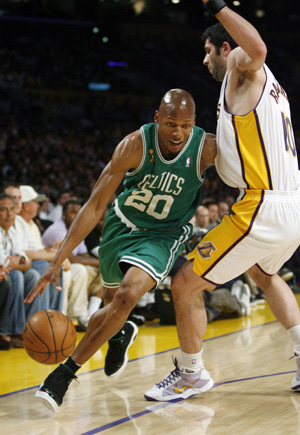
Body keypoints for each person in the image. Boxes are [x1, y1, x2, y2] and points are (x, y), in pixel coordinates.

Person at [144, 1, 300, 402]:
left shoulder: (242, 68)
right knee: (264, 275)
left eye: (208, 51)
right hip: (291, 206)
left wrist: (217, 7)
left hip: (260, 207)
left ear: (225, 48)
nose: (203, 59)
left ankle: (191, 374)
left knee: (184, 284)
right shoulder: (267, 88)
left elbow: (259, 48)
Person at [24, 88, 217, 412]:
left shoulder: (207, 148)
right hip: (121, 226)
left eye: (185, 125)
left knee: (127, 296)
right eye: (171, 123)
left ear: (194, 122)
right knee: (114, 303)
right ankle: (120, 333)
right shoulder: (135, 145)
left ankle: (63, 376)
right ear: (156, 119)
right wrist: (57, 260)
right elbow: (95, 204)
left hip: (163, 234)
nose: (178, 132)